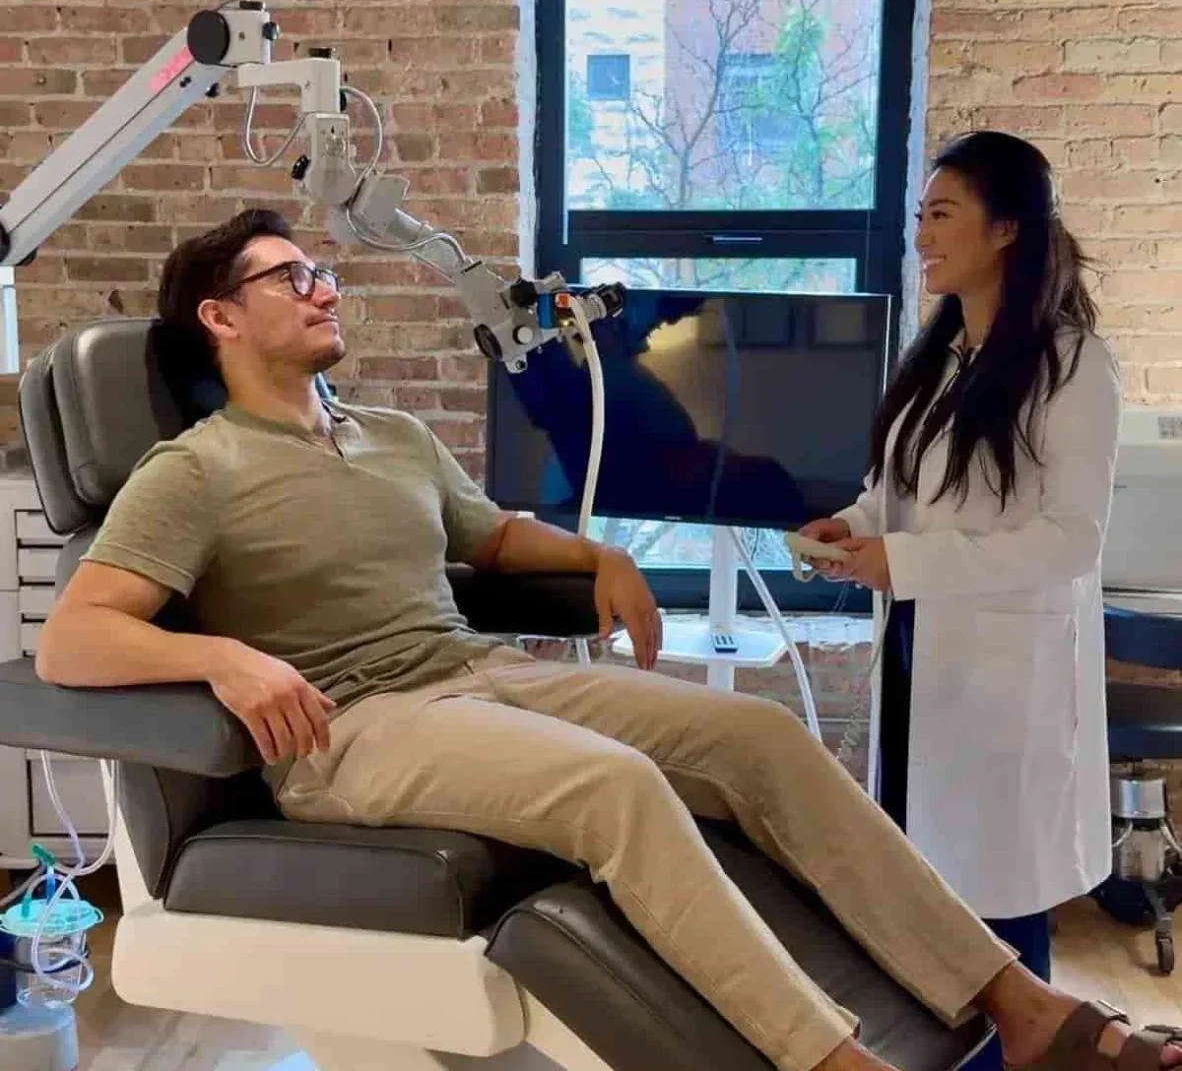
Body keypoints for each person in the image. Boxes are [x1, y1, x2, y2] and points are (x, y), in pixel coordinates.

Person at [35, 209, 1181, 1071]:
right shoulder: (194, 470)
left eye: (324, 270)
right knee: (619, 787)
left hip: (472, 674)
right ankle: (829, 1059)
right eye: (291, 276)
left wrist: (598, 558)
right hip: (353, 729)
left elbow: (488, 541)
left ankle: (1019, 1009)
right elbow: (74, 641)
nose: (324, 287)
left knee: (762, 737)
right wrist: (224, 656)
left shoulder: (386, 434)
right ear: (221, 318)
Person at [798, 131, 1120, 1067]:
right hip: (917, 659)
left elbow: (1073, 541)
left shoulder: (1073, 367)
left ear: (1008, 228)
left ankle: (1029, 1052)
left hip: (1002, 676)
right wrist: (848, 529)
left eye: (942, 214)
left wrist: (907, 564)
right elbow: (894, 493)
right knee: (923, 896)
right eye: (920, 217)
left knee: (998, 905)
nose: (923, 236)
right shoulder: (938, 360)